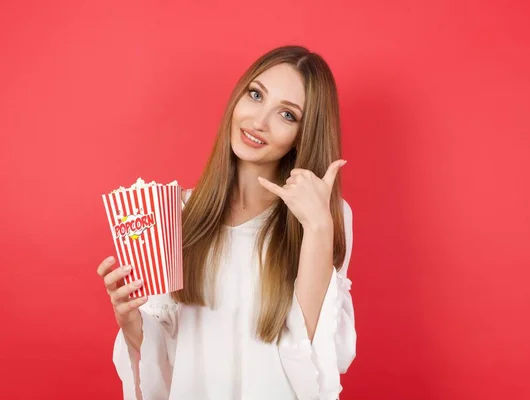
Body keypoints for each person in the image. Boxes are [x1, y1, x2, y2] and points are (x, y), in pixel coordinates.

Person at [97, 45, 356, 400]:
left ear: (303, 135)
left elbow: (313, 351)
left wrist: (318, 228)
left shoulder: (325, 217)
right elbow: (167, 348)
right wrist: (129, 319)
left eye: (287, 115)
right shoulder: (178, 212)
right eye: (256, 95)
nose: (258, 122)